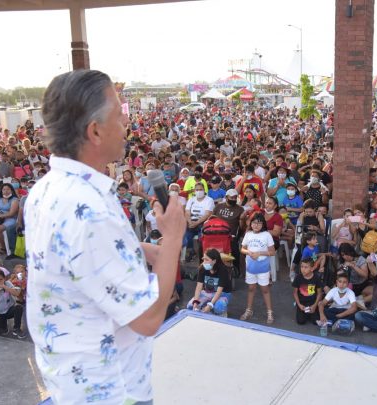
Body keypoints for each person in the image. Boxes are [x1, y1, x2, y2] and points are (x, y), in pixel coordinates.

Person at [26, 70, 186, 405]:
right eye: (119, 116)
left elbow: (72, 261)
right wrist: (172, 239)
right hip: (111, 388)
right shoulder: (90, 209)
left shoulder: (47, 190)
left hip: (72, 381)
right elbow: (148, 319)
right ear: (95, 131)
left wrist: (136, 249)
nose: (126, 127)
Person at [239, 213, 276, 324]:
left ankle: (270, 312)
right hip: (251, 267)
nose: (256, 225)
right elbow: (242, 249)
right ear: (251, 223)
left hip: (263, 267)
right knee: (251, 288)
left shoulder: (266, 235)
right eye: (254, 222)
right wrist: (249, 252)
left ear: (263, 224)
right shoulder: (248, 234)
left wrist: (259, 253)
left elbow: (272, 252)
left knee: (265, 289)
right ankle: (249, 310)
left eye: (259, 223)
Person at [187, 249, 232, 316]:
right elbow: (199, 286)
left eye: (207, 260)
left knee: (219, 307)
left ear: (214, 261)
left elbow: (219, 291)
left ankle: (222, 312)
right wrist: (196, 301)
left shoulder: (223, 270)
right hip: (207, 292)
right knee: (190, 306)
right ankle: (207, 307)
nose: (204, 262)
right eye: (204, 259)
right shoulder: (202, 268)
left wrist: (210, 305)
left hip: (223, 294)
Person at [183, 183, 214, 261]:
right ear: (194, 191)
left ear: (204, 190)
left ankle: (202, 254)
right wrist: (190, 222)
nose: (199, 191)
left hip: (203, 222)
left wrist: (196, 223)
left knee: (202, 238)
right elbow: (187, 212)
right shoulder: (191, 199)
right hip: (191, 221)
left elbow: (207, 214)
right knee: (187, 236)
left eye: (201, 189)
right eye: (197, 190)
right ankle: (191, 252)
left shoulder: (209, 200)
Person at [292, 258, 324, 325]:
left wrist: (315, 305)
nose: (303, 269)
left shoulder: (316, 278)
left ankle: (311, 313)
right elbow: (295, 293)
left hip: (313, 302)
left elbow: (319, 293)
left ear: (312, 269)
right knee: (301, 321)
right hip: (302, 302)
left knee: (316, 322)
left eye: (306, 267)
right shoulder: (298, 277)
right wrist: (299, 304)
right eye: (302, 266)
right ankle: (303, 311)